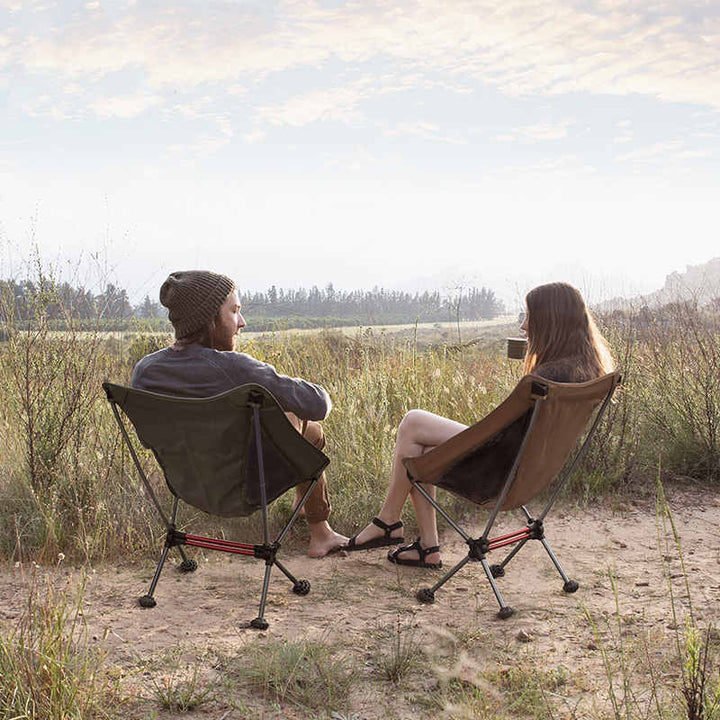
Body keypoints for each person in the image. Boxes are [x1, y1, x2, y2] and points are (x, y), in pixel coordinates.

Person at [344, 282, 614, 568]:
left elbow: (501, 431)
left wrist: (467, 439)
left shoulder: (545, 380)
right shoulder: (588, 372)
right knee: (421, 450)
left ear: (550, 322)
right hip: (531, 473)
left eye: (529, 317)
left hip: (499, 472)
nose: (523, 326)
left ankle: (388, 522)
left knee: (412, 422)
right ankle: (426, 547)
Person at [131, 270, 348, 557]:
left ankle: (302, 504)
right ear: (210, 319)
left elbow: (148, 439)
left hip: (187, 485)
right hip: (244, 490)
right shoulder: (236, 369)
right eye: (234, 311)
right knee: (306, 425)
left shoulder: (145, 371)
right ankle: (320, 532)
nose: (242, 322)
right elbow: (318, 404)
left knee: (287, 421)